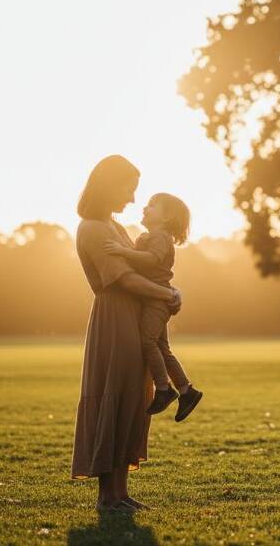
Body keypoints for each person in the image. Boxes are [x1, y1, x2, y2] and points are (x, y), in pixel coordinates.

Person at [71, 155, 181, 513]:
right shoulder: (93, 228)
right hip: (114, 319)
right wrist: (168, 294)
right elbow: (124, 278)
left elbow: (145, 268)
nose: (133, 199)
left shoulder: (115, 228)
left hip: (132, 317)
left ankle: (121, 492)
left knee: (133, 400)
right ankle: (107, 497)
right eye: (129, 189)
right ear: (109, 185)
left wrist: (163, 293)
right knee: (113, 398)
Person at [103, 192, 203, 421]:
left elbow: (152, 260)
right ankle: (187, 391)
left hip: (156, 300)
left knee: (147, 342)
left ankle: (164, 389)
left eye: (152, 205)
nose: (145, 208)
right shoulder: (151, 236)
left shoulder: (160, 237)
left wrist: (122, 251)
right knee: (162, 347)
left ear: (166, 218)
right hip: (155, 300)